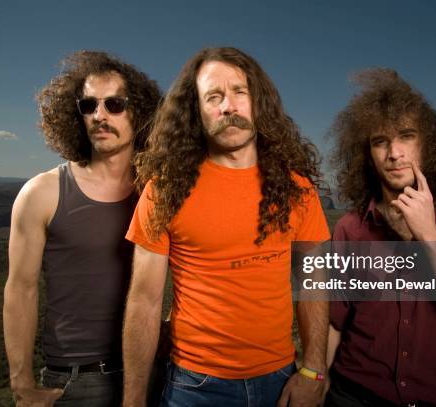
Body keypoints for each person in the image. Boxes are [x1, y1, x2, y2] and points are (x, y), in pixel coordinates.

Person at [122, 47, 330, 407]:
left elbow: (313, 282)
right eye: (213, 97)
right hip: (194, 386)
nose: (228, 107)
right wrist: (133, 400)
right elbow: (144, 301)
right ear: (197, 111)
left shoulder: (297, 189)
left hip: (280, 381)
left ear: (257, 102)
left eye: (239, 92)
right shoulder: (164, 190)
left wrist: (314, 371)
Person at [324, 68, 436, 406]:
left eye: (406, 135)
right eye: (380, 141)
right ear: (368, 153)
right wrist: (313, 378)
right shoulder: (350, 227)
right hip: (351, 394)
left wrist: (429, 233)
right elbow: (335, 323)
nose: (394, 153)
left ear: (427, 144)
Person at [3, 50, 161, 406]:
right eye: (89, 105)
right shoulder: (42, 192)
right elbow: (20, 290)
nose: (99, 116)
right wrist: (21, 384)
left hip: (151, 372)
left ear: (140, 112)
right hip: (73, 380)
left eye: (114, 104)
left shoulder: (157, 192)